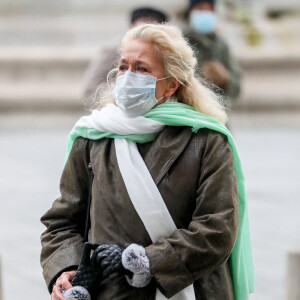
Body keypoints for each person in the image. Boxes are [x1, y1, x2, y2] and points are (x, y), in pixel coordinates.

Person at [40, 24, 254, 300]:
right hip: (110, 293)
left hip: (189, 292)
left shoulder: (208, 141)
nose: (128, 77)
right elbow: (62, 221)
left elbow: (218, 229)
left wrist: (146, 260)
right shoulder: (93, 137)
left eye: (142, 69)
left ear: (172, 84)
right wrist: (63, 270)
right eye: (123, 67)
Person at [81, 7, 168, 107]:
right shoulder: (113, 51)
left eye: (142, 69)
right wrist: (120, 99)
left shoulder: (165, 55)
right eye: (123, 67)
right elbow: (90, 89)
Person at [183, 0, 241, 103]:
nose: (205, 13)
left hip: (217, 113)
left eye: (210, 9)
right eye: (200, 8)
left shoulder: (221, 44)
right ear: (190, 12)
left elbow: (237, 87)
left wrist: (225, 79)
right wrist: (200, 79)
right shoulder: (180, 40)